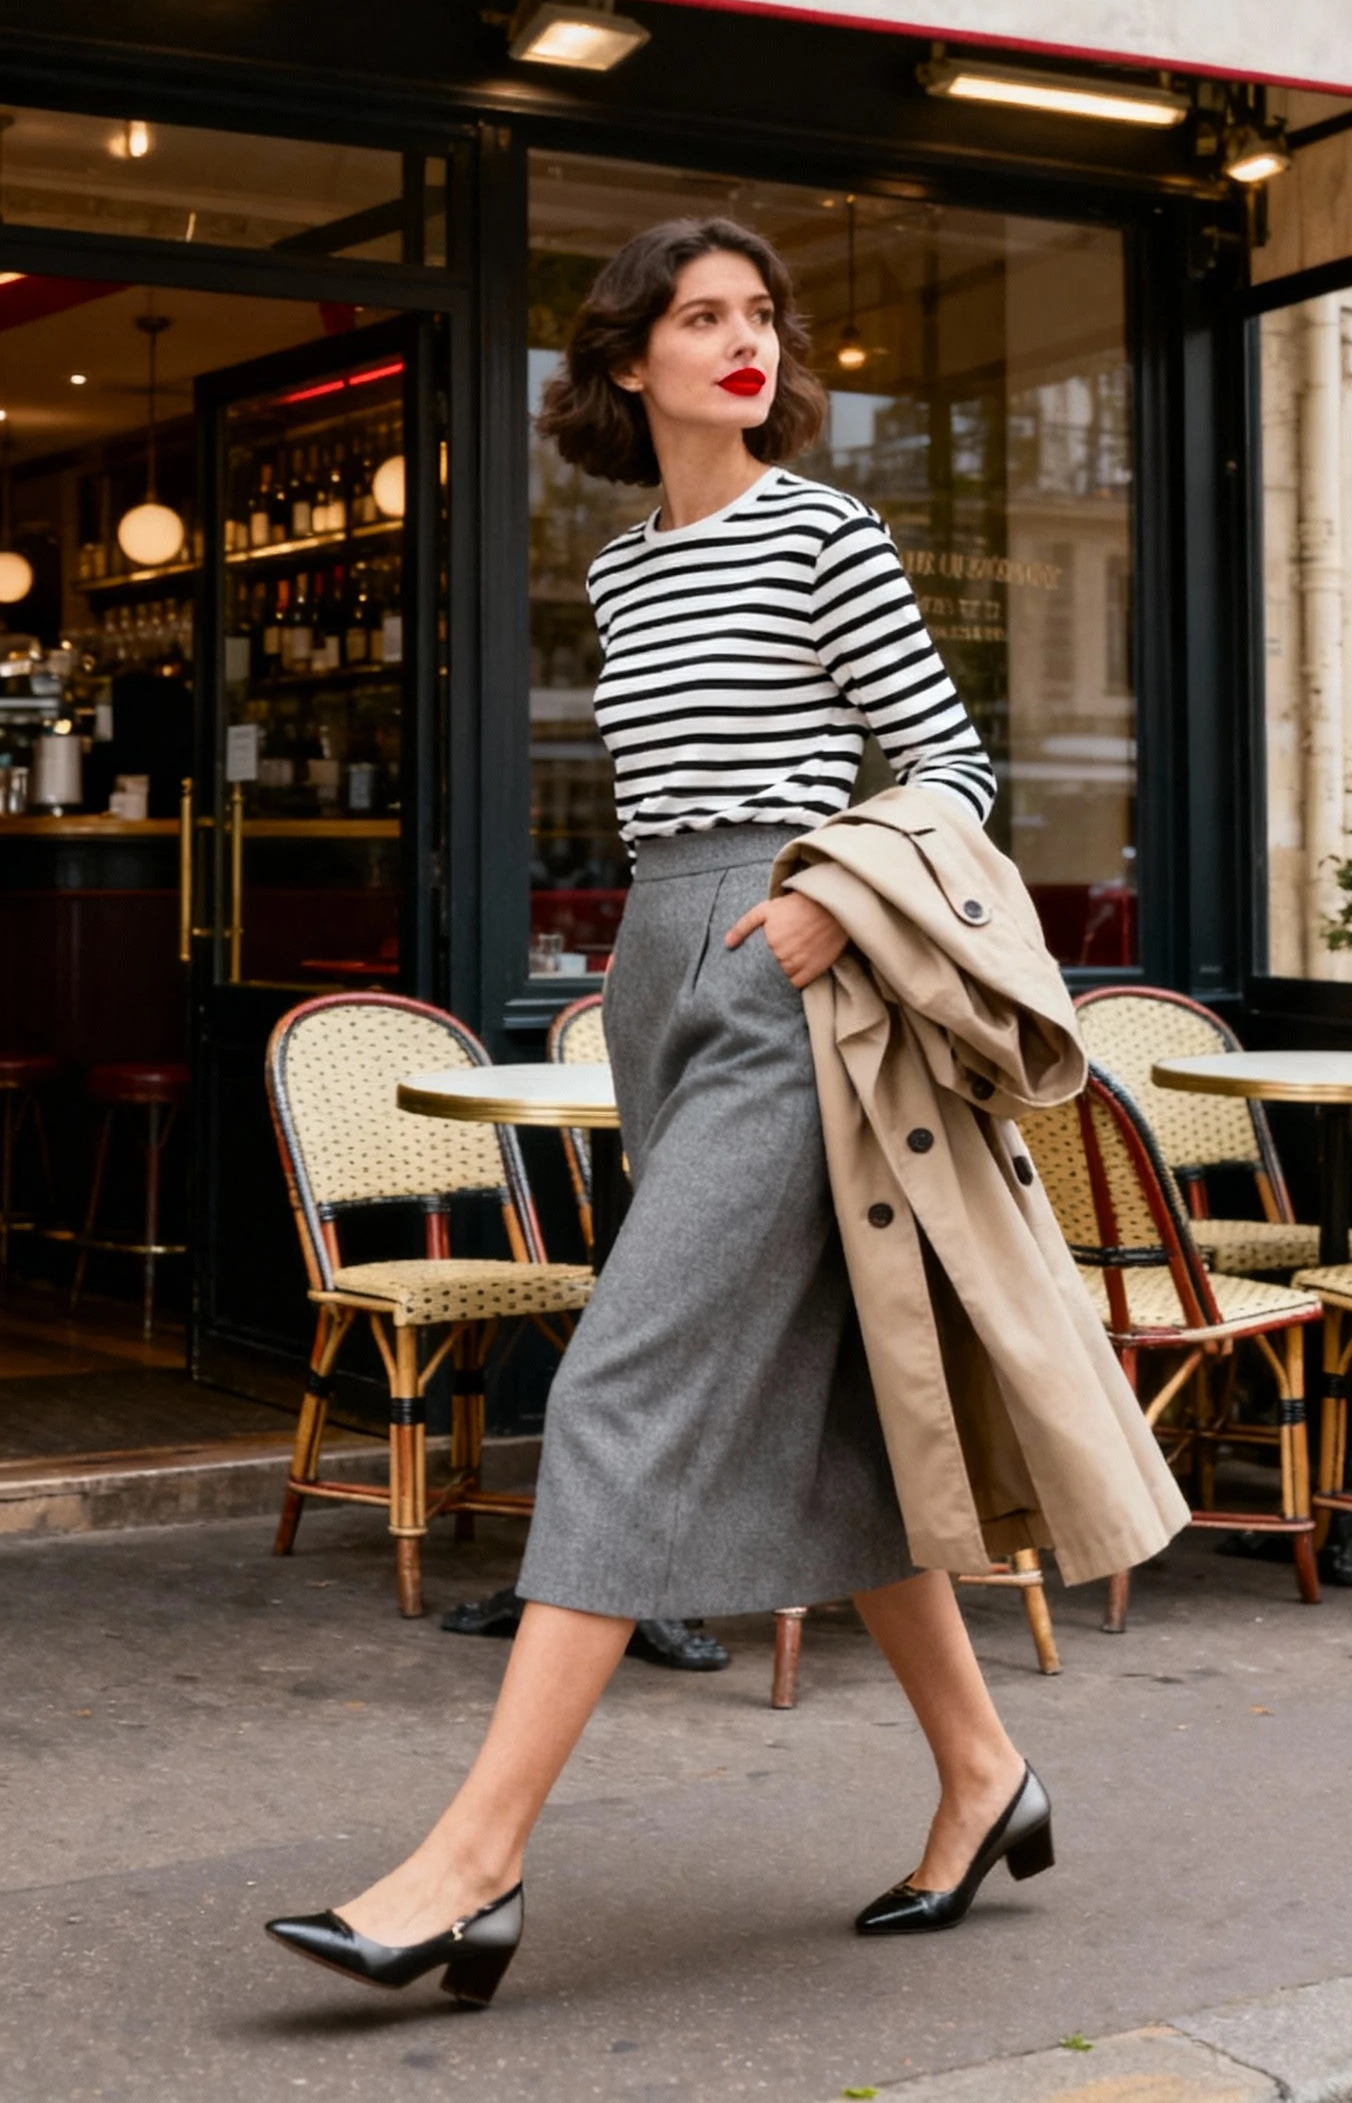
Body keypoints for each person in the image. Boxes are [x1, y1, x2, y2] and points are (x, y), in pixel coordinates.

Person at [266, 215, 1051, 2011]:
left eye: (760, 314)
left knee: (620, 1382)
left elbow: (954, 764)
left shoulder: (825, 527)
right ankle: (987, 1770)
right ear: (629, 362)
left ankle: (471, 1866)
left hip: (796, 976)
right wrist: (633, 971)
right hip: (656, 975)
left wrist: (825, 908)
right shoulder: (624, 567)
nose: (743, 341)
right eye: (703, 318)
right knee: (828, 1411)